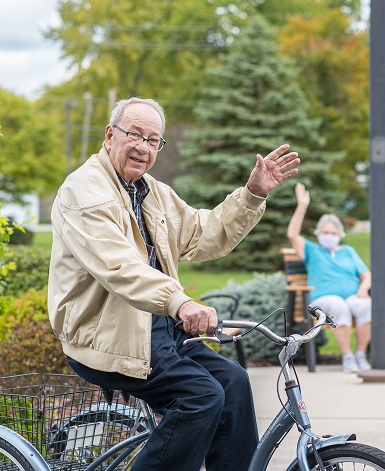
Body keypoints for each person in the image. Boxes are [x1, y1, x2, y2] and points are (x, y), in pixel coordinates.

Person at [48, 96, 300, 471]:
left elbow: (204, 234)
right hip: (108, 337)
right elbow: (119, 266)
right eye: (134, 134)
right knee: (200, 397)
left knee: (233, 383)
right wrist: (180, 302)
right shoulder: (83, 191)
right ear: (109, 135)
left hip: (158, 330)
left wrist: (253, 195)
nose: (143, 147)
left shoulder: (153, 192)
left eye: (153, 141)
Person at [287, 182, 373, 373]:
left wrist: (363, 288)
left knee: (366, 305)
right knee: (338, 305)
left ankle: (360, 354)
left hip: (352, 297)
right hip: (322, 301)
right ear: (318, 234)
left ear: (340, 235)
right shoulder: (312, 250)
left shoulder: (348, 251)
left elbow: (366, 275)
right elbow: (292, 235)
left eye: (333, 233)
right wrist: (302, 206)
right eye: (325, 232)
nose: (329, 236)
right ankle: (348, 357)